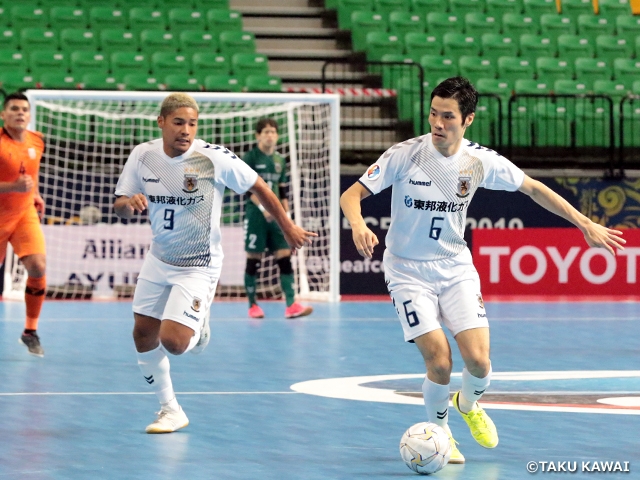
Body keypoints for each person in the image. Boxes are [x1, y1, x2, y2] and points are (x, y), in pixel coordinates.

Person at [340, 77, 625, 464]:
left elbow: (534, 188)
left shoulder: (479, 161)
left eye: (448, 117)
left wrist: (584, 223)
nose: (437, 123)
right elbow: (351, 194)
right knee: (439, 360)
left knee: (479, 362)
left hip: (455, 267)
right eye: (433, 114)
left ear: (468, 119)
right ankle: (441, 432)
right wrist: (358, 223)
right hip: (407, 271)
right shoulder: (405, 155)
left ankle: (468, 403)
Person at [114, 93, 316, 433]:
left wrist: (288, 225)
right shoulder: (143, 155)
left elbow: (260, 187)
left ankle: (199, 324)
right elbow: (120, 204)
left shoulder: (213, 158)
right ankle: (170, 410)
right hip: (159, 258)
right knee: (142, 334)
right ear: (161, 122)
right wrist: (128, 203)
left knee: (174, 343)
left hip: (199, 263)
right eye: (178, 122)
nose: (186, 130)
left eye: (192, 123)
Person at [242, 118, 313, 319]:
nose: (270, 135)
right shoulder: (250, 158)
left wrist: (287, 218)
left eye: (273, 132)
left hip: (276, 217)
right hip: (256, 215)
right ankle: (252, 305)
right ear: (258, 136)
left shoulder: (280, 161)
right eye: (266, 132)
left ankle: (291, 305)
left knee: (284, 256)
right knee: (253, 258)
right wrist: (263, 206)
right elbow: (247, 189)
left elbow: (283, 192)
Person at [0, 92, 47, 357]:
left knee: (38, 266)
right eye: (14, 109)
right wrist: (13, 187)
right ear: (3, 115)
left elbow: (32, 171)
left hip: (23, 214)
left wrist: (35, 193)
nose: (20, 113)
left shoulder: (37, 141)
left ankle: (30, 331)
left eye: (24, 109)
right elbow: (17, 181)